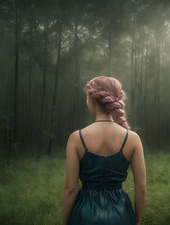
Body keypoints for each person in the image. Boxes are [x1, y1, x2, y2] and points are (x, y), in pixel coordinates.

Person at [62, 76, 146, 225]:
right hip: (122, 215)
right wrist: (137, 220)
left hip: (84, 215)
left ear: (92, 100)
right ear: (116, 100)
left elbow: (70, 189)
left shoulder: (76, 138)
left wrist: (65, 222)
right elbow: (141, 189)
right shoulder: (133, 139)